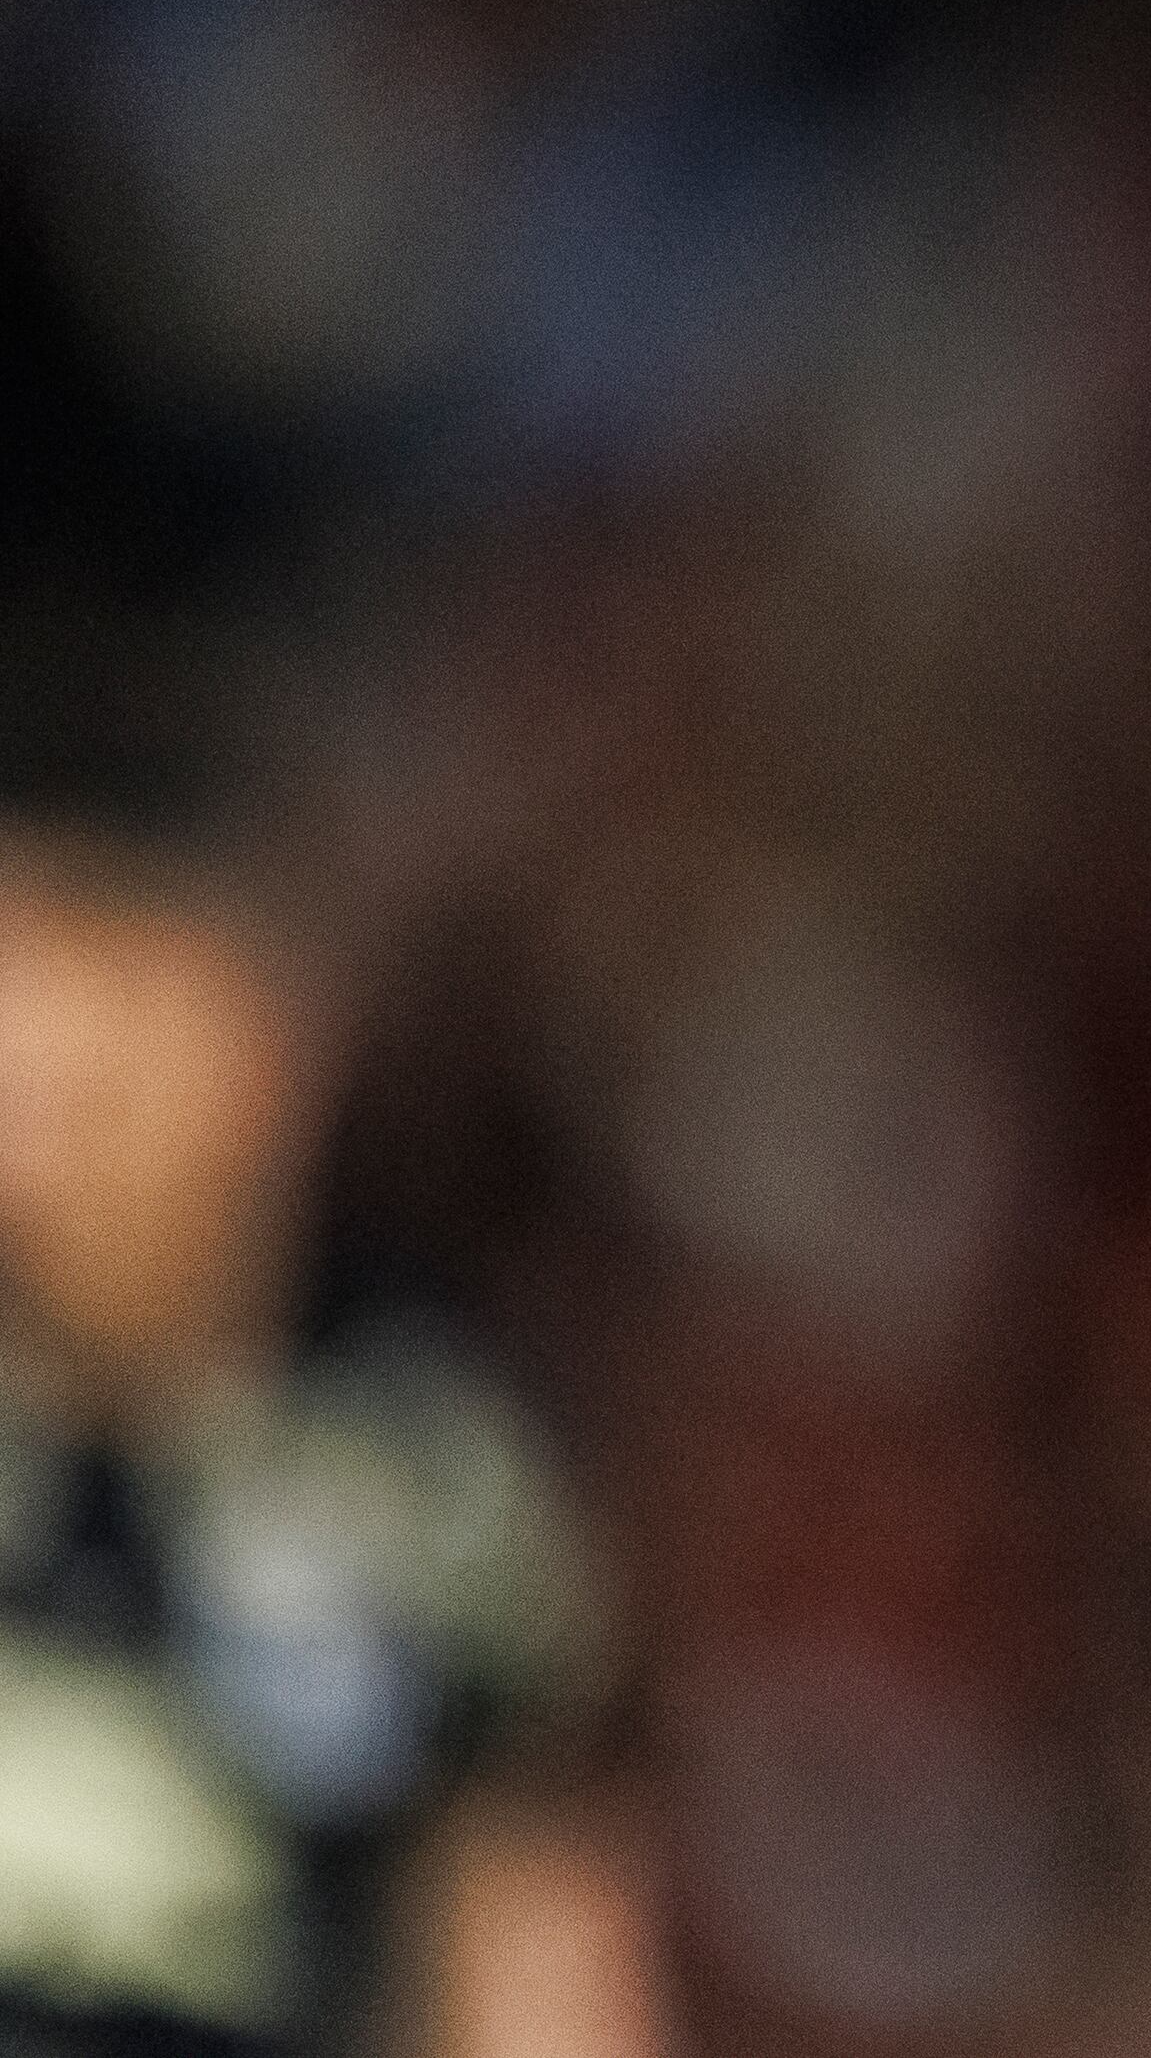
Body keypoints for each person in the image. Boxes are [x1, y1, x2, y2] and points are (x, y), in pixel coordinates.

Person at [0, 808, 660, 2058]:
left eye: (101, 1086)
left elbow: (536, 1938)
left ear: (261, 1053)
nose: (38, 1135)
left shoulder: (431, 1459)